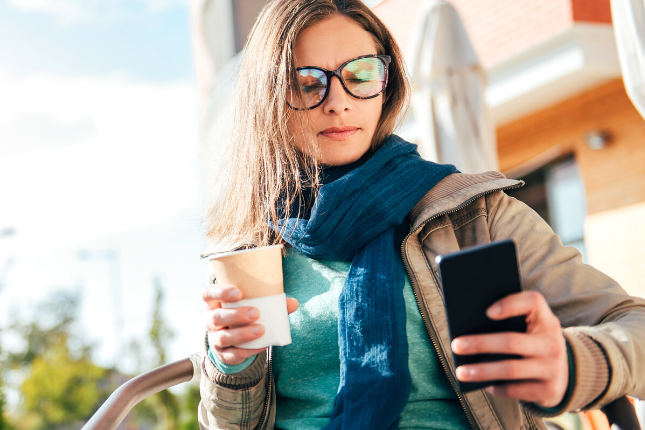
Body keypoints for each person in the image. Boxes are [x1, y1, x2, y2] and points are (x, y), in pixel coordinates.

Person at [198, 1, 645, 429]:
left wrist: (569, 362)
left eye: (360, 74)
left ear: (386, 83)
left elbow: (634, 324)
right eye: (307, 82)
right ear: (270, 97)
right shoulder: (250, 243)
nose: (338, 101)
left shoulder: (473, 215)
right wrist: (231, 364)